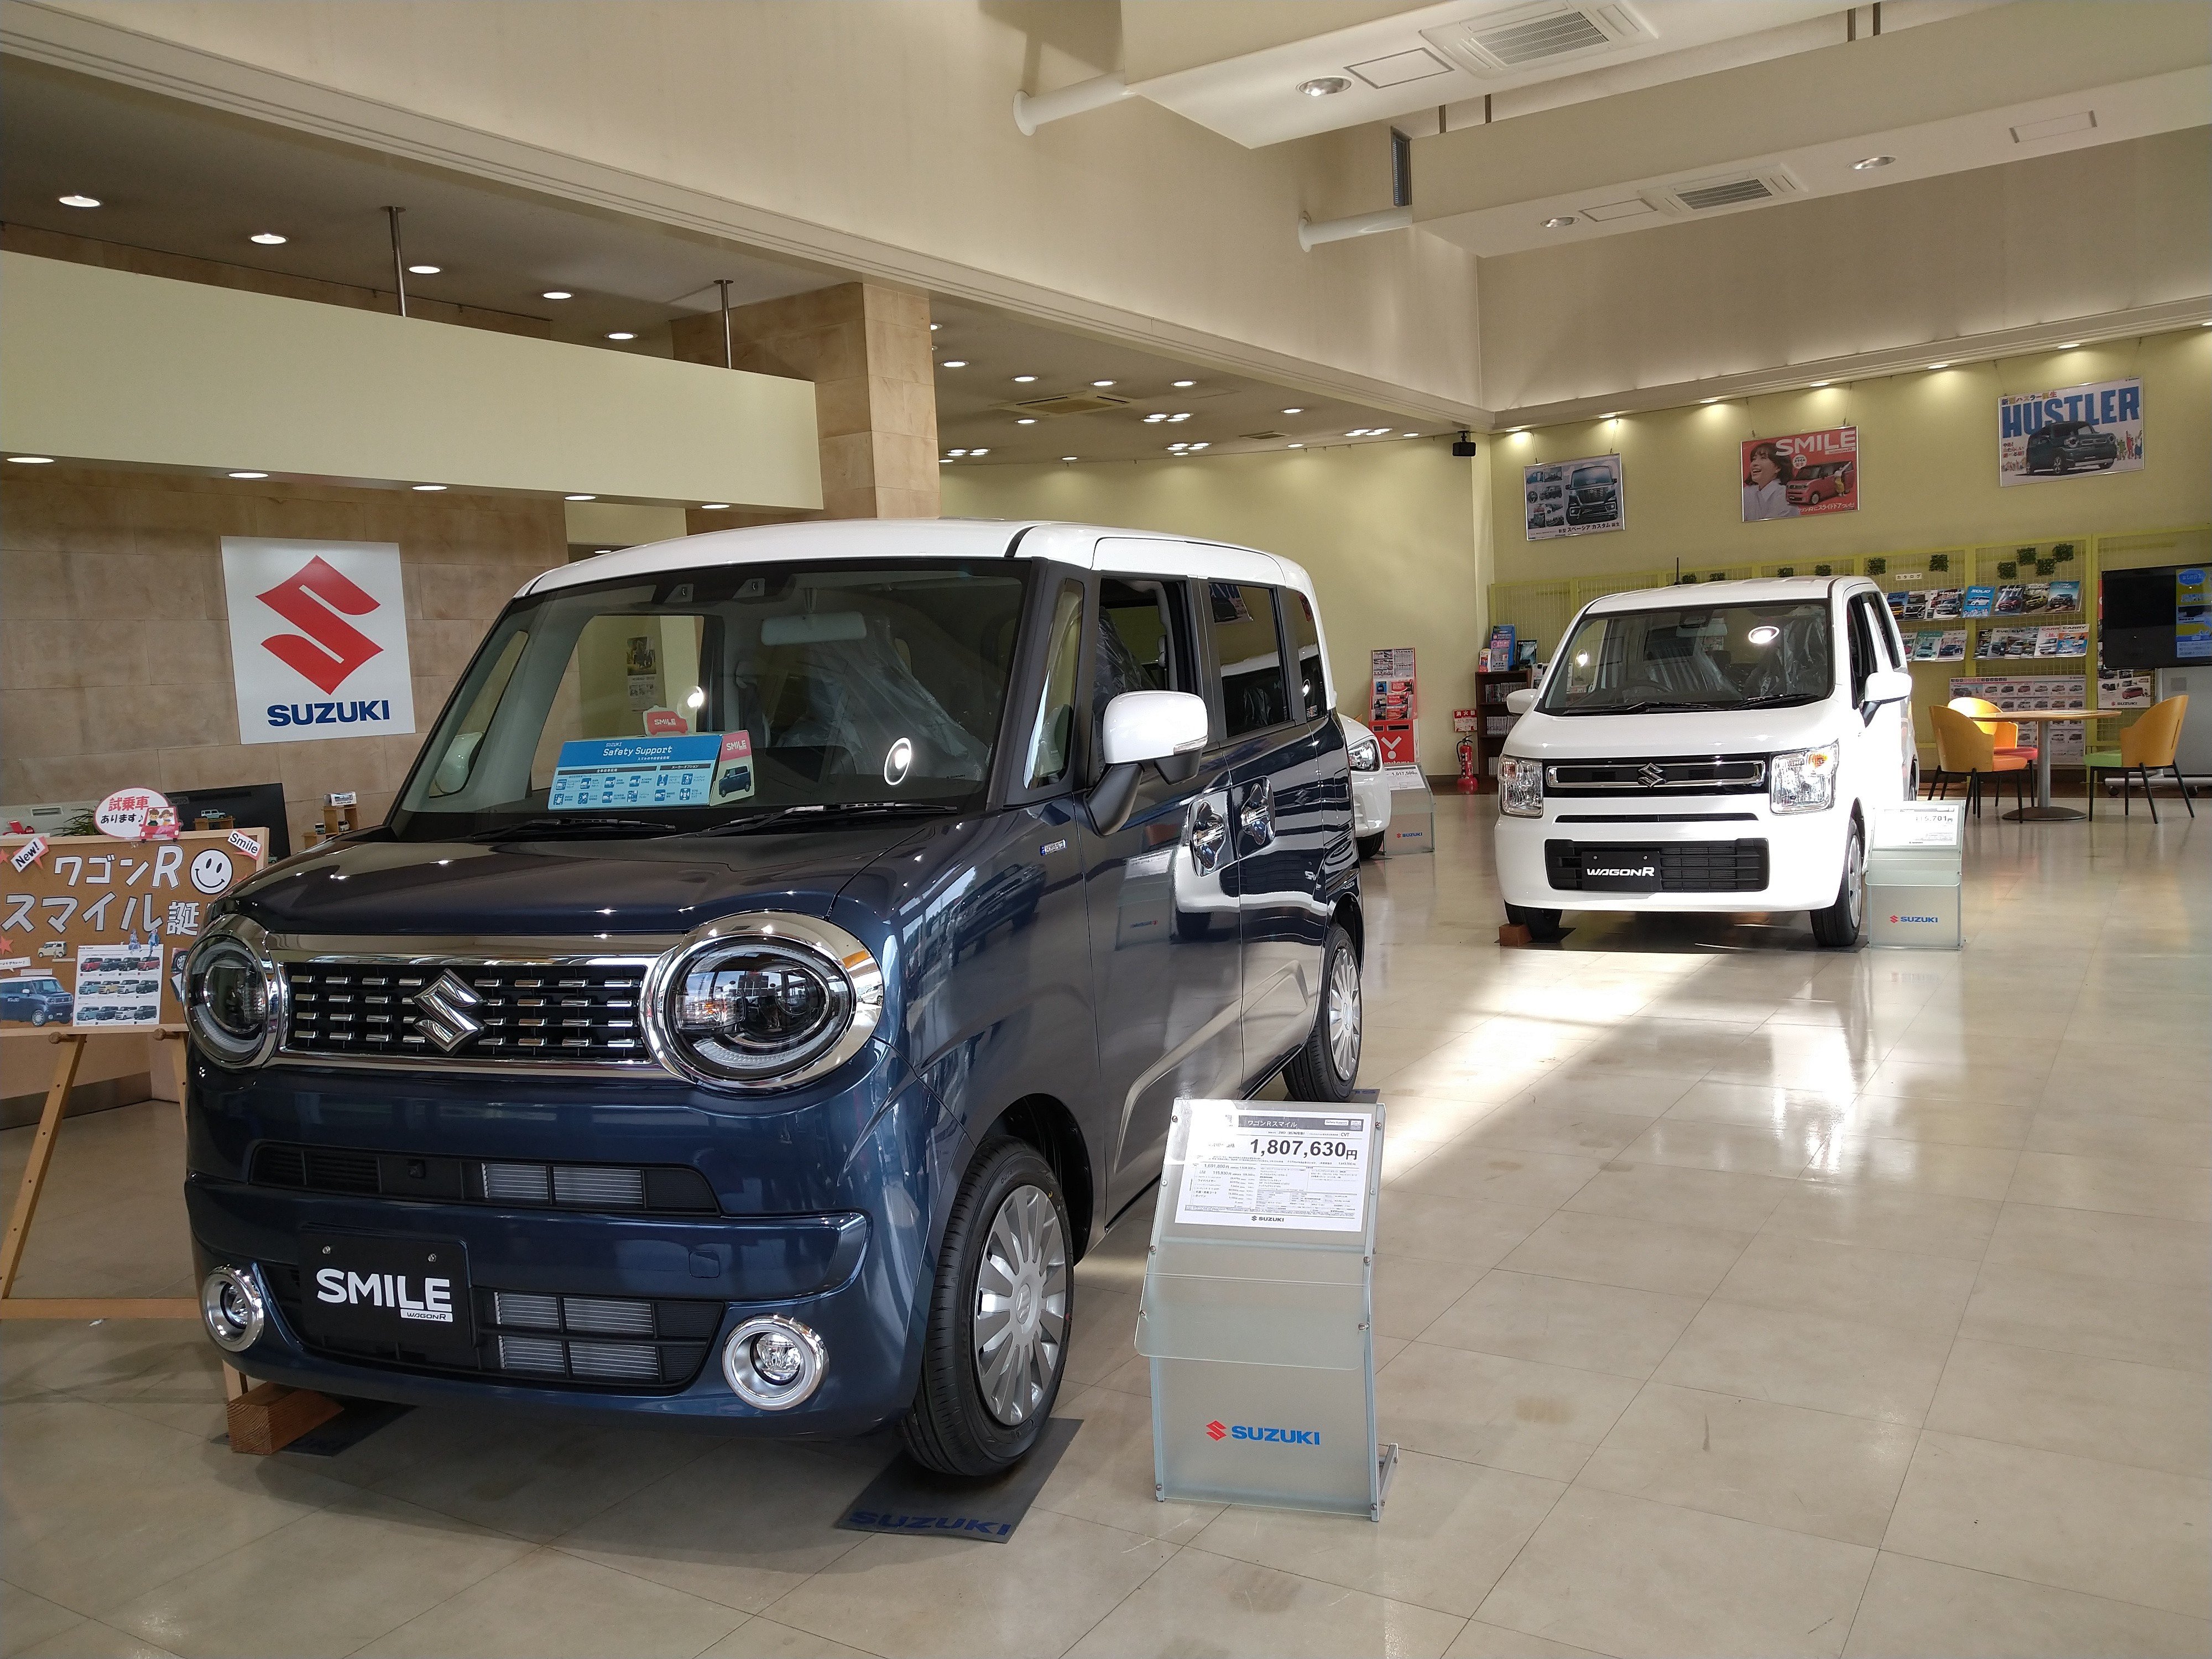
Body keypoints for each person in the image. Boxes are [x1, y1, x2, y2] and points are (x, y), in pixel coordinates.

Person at [1743, 442, 1799, 520]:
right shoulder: (1747, 492)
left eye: (1763, 458)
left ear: (1778, 467)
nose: (1754, 464)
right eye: (1754, 459)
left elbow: (1769, 526)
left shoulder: (1785, 495)